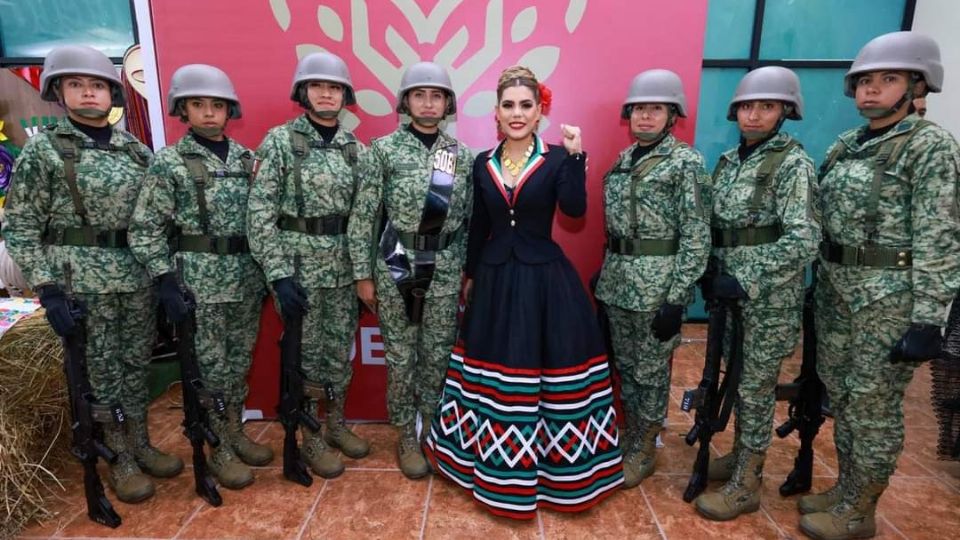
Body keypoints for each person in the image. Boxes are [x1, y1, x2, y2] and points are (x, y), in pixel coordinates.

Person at [423, 65, 624, 519]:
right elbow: (479, 226)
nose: (517, 113)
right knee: (493, 377)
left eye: (526, 106)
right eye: (509, 106)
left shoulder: (556, 159)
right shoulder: (481, 163)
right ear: (496, 113)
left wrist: (576, 158)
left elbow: (574, 212)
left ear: (540, 113)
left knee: (548, 376)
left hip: (544, 284)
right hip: (494, 281)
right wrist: (470, 275)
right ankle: (493, 470)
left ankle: (557, 476)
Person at [3, 45, 181, 503]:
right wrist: (48, 289)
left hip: (135, 277)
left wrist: (164, 275)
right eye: (77, 84)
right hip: (81, 283)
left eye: (97, 84)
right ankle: (117, 456)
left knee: (136, 364)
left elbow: (155, 219)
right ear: (59, 91)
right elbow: (21, 226)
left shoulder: (135, 151)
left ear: (112, 92)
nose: (88, 93)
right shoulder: (46, 150)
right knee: (100, 374)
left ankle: (140, 443)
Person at [800, 31, 960, 540]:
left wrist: (930, 318)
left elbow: (941, 234)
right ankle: (848, 487)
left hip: (888, 300)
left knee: (874, 406)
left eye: (887, 79)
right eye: (865, 81)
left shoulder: (930, 147)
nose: (871, 90)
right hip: (838, 292)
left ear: (917, 85)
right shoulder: (849, 144)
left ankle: (860, 510)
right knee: (845, 396)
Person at [129, 64, 269, 490]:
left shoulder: (248, 160)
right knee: (209, 368)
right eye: (198, 104)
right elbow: (145, 227)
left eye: (217, 105)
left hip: (246, 278)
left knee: (238, 362)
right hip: (199, 282)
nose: (209, 113)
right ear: (182, 110)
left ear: (229, 111)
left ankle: (233, 432)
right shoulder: (170, 162)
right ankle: (217, 447)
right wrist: (164, 279)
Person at [692, 66, 820, 521]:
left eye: (766, 106)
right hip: (729, 295)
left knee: (755, 388)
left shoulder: (793, 164)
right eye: (747, 106)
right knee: (736, 378)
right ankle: (740, 458)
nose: (754, 114)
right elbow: (721, 227)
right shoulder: (730, 161)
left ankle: (748, 481)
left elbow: (804, 238)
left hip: (766, 298)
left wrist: (746, 276)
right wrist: (711, 270)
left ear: (785, 110)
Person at [347, 61, 473, 479]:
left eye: (436, 96)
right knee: (401, 360)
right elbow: (364, 215)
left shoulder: (459, 156)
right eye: (419, 95)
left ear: (447, 104)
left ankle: (433, 431)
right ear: (405, 102)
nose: (428, 102)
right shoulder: (382, 150)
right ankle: (405, 433)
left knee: (436, 357)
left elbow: (470, 220)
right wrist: (363, 275)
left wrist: (467, 273)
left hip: (444, 266)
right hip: (395, 263)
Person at [247, 52, 369, 479]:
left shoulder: (356, 148)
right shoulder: (280, 141)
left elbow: (366, 217)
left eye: (334, 87)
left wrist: (363, 272)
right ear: (303, 92)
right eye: (317, 86)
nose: (326, 93)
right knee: (306, 357)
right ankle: (310, 437)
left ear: (344, 95)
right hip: (298, 270)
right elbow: (259, 213)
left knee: (339, 354)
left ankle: (334, 424)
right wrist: (278, 275)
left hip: (343, 267)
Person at [595, 69, 711, 488]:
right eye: (639, 109)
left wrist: (677, 297)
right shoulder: (623, 161)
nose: (645, 116)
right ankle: (632, 435)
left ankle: (645, 445)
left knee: (651, 371)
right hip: (619, 285)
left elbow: (697, 236)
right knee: (626, 367)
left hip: (657, 287)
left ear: (672, 115)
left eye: (655, 109)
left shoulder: (686, 163)